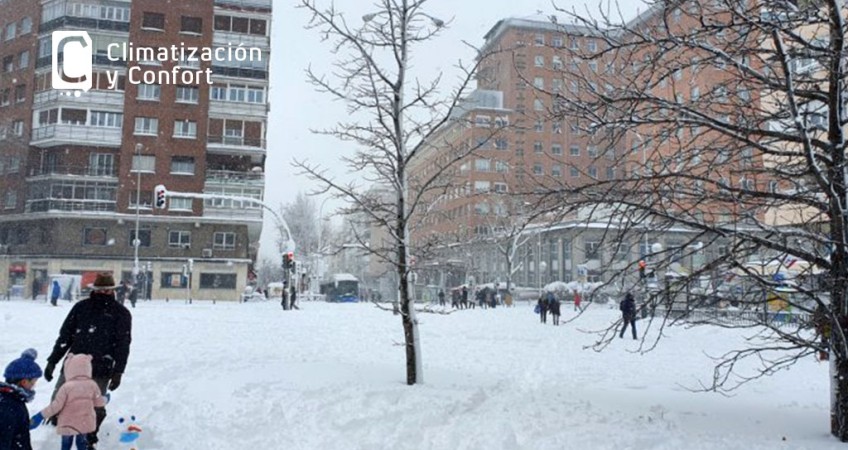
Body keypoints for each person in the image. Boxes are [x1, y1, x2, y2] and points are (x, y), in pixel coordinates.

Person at [44, 273, 131, 449]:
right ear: (94, 290)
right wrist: (53, 361)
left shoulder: (121, 314)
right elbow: (65, 336)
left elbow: (123, 344)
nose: (104, 293)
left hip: (101, 367)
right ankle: (57, 432)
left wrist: (118, 371)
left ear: (113, 291)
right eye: (101, 289)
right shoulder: (81, 308)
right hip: (73, 366)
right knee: (60, 399)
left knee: (94, 406)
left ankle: (89, 437)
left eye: (107, 290)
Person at [31, 354, 106, 450]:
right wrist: (105, 399)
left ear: (69, 369)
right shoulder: (92, 385)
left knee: (66, 444)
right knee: (82, 443)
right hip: (84, 423)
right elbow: (99, 402)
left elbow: (56, 406)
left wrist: (41, 415)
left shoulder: (66, 387)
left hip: (67, 423)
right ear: (88, 368)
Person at [0, 349, 42, 450]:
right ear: (24, 382)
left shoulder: (12, 400)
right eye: (33, 382)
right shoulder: (10, 407)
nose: (33, 386)